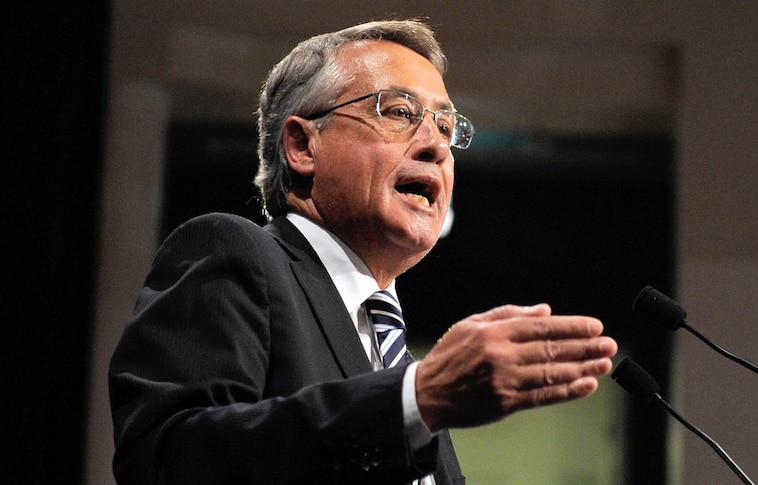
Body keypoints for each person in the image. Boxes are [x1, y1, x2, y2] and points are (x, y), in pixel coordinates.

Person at [108, 19, 618, 485]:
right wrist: (415, 399)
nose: (436, 146)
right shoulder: (236, 254)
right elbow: (168, 460)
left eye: (445, 127)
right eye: (399, 112)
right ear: (303, 146)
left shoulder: (391, 352)